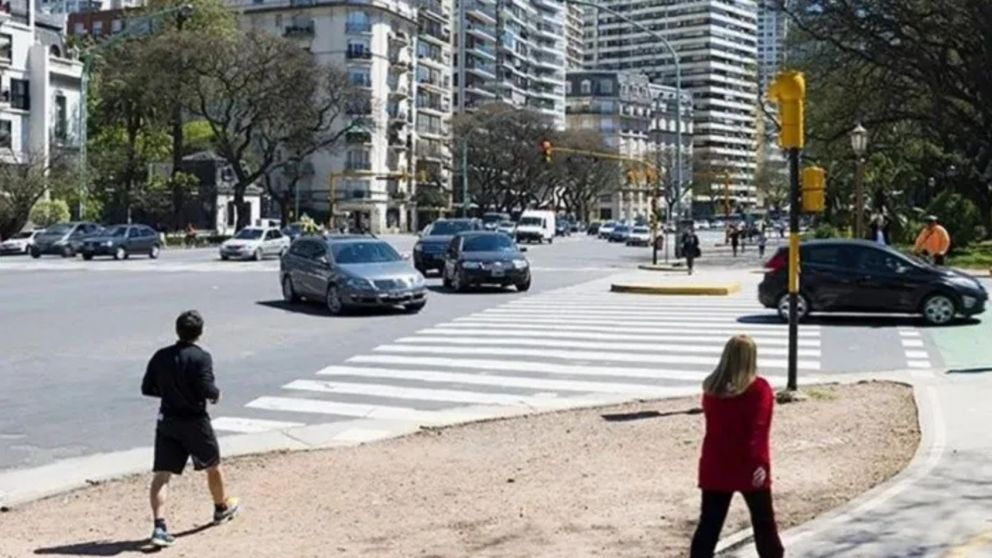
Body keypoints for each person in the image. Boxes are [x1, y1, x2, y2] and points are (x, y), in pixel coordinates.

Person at [141, 311, 240, 547]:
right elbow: (206, 387)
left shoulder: (161, 356)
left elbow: (147, 387)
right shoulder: (201, 357)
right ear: (200, 332)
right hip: (195, 421)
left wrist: (168, 393)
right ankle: (220, 507)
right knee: (212, 465)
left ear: (177, 330)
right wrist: (216, 394)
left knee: (162, 474)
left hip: (168, 421)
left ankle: (159, 526)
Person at [690, 335, 784, 558]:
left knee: (709, 525)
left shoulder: (711, 389)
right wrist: (760, 464)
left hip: (715, 463)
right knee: (764, 524)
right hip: (749, 464)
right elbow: (759, 429)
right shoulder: (759, 389)